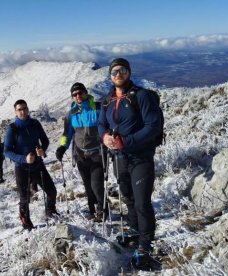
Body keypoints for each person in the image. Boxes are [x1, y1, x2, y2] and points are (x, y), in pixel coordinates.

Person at [98, 58, 161, 267]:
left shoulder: (141, 96)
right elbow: (101, 124)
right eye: (114, 71)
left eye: (122, 70)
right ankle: (135, 229)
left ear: (129, 72)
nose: (118, 74)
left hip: (140, 157)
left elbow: (153, 126)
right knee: (128, 197)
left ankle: (145, 243)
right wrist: (105, 137)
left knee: (142, 201)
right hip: (119, 158)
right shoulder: (107, 99)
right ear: (110, 75)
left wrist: (125, 142)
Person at [55, 82, 108, 221]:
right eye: (74, 94)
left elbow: (107, 127)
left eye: (80, 93)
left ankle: (103, 210)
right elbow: (67, 134)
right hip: (80, 154)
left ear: (85, 92)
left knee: (96, 184)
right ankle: (92, 210)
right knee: (87, 184)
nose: (78, 96)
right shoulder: (71, 114)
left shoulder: (97, 108)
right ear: (72, 97)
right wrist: (62, 147)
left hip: (98, 152)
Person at [4, 99, 58, 230]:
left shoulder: (35, 123)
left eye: (24, 108)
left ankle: (50, 212)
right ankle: (27, 224)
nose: (22, 111)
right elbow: (6, 151)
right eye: (19, 110)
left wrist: (42, 150)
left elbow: (45, 140)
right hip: (22, 168)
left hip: (38, 165)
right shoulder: (12, 129)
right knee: (24, 199)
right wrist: (23, 158)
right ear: (15, 112)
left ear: (28, 109)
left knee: (51, 191)